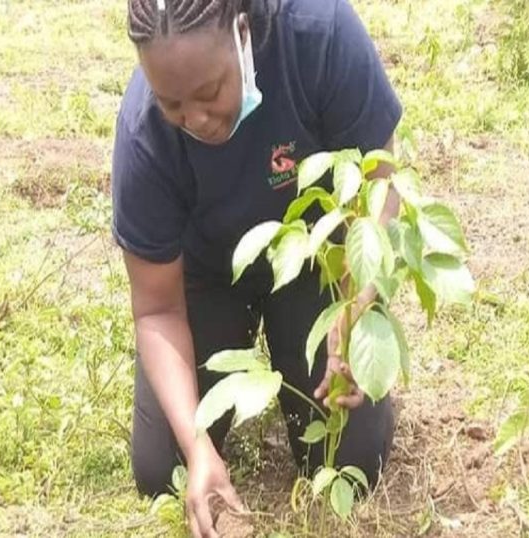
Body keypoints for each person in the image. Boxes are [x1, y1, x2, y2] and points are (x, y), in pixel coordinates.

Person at [112, 0, 402, 536]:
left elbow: (379, 188)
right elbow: (155, 308)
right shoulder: (143, 132)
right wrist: (200, 450)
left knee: (354, 464)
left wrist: (357, 306)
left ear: (242, 32)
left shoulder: (319, 34)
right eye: (173, 104)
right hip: (208, 278)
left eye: (208, 93)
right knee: (164, 473)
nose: (195, 120)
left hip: (315, 262)